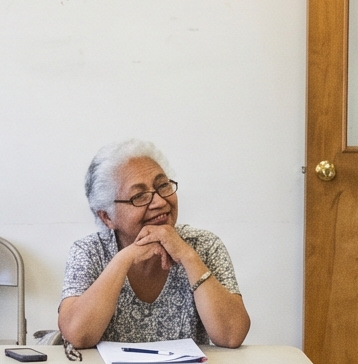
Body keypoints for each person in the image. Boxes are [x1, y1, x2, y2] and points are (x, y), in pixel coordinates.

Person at [57, 140, 250, 350]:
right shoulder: (89, 252)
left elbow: (232, 335)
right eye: (139, 196)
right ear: (107, 218)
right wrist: (124, 258)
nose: (159, 202)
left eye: (163, 186)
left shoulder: (203, 245)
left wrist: (188, 256)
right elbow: (77, 335)